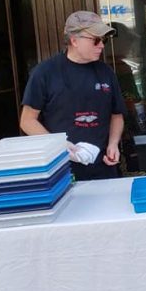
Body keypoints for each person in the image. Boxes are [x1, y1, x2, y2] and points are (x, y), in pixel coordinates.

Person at [20, 11, 126, 181]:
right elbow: (27, 121)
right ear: (74, 40)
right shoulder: (45, 73)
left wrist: (113, 144)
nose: (101, 45)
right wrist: (59, 145)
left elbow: (117, 115)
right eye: (96, 40)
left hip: (102, 165)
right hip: (60, 167)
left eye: (103, 40)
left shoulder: (106, 72)